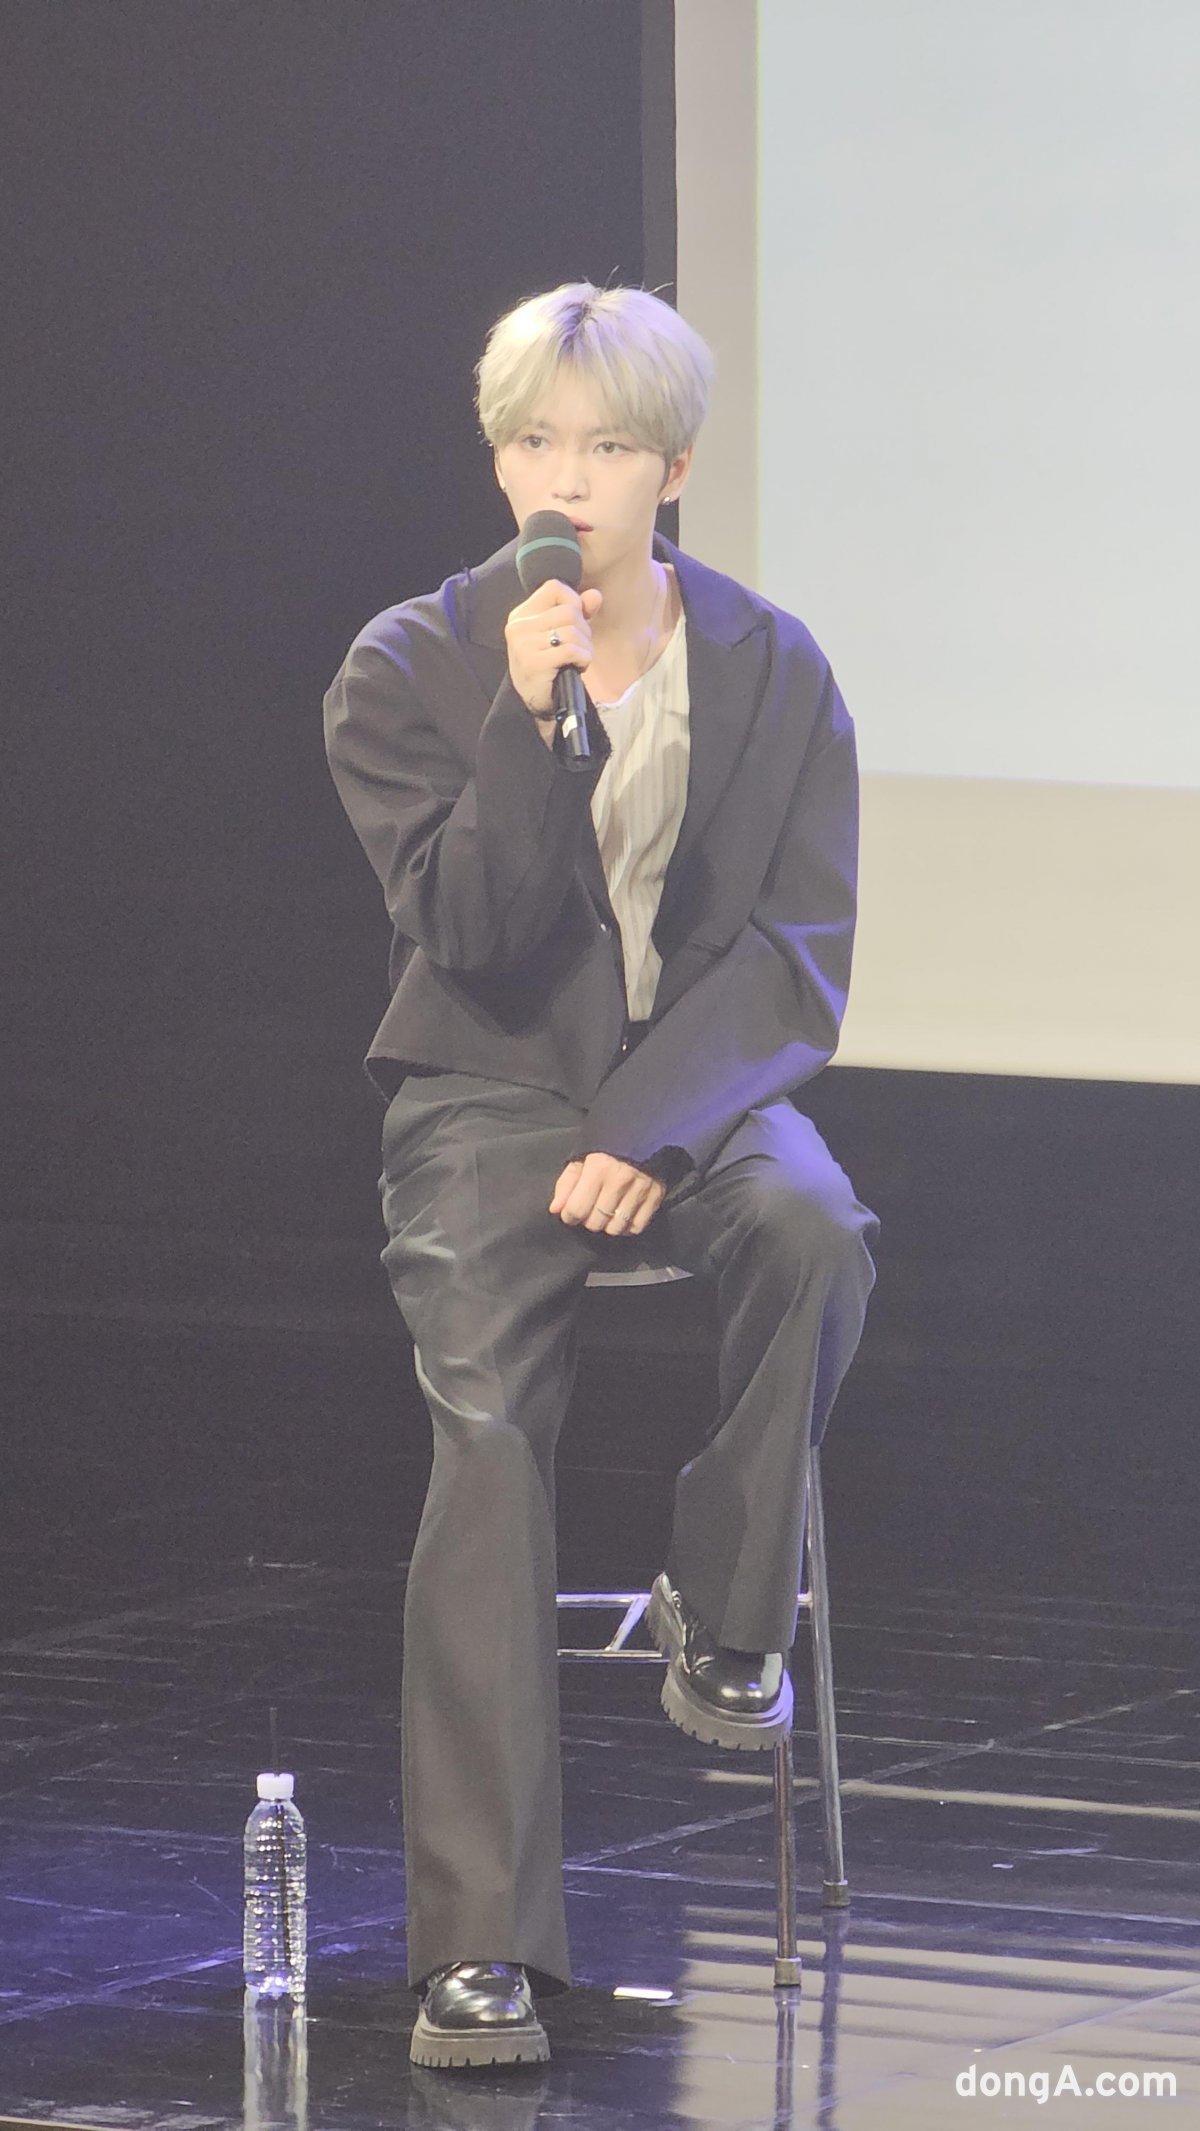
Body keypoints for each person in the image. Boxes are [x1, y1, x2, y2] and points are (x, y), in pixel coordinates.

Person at [323, 282, 879, 2071]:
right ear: (500, 462)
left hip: (692, 1098)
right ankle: (478, 1948)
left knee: (816, 1228)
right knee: (486, 1431)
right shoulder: (407, 665)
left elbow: (794, 957)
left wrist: (646, 1129)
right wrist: (528, 723)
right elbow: (471, 930)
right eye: (536, 443)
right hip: (484, 1098)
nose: (567, 478)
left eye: (610, 445)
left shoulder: (774, 666)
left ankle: (725, 1612)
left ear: (674, 469)